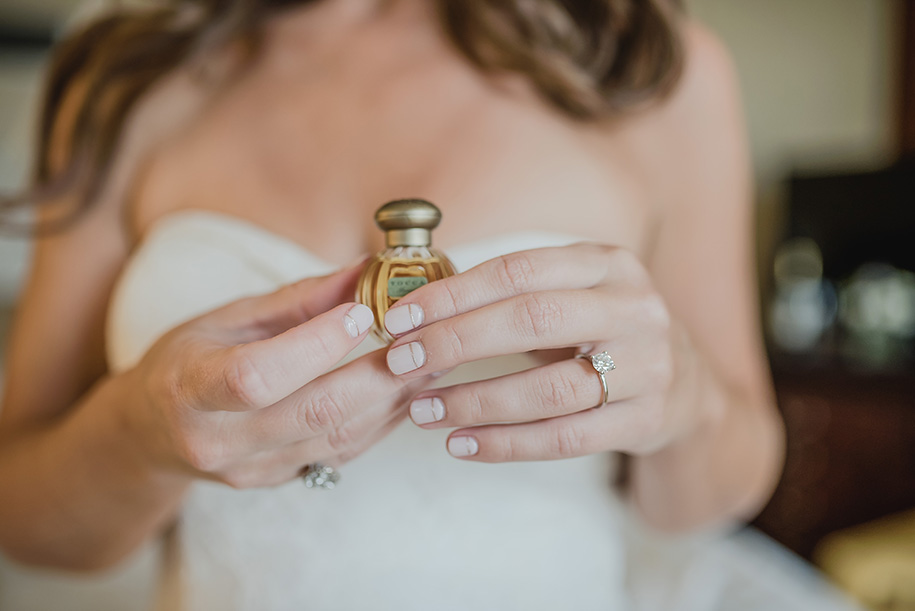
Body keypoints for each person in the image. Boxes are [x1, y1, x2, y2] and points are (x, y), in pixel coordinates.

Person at [0, 0, 860, 609]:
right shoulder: (124, 76)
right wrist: (143, 432)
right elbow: (25, 518)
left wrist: (684, 399)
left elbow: (718, 490)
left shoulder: (649, 65)